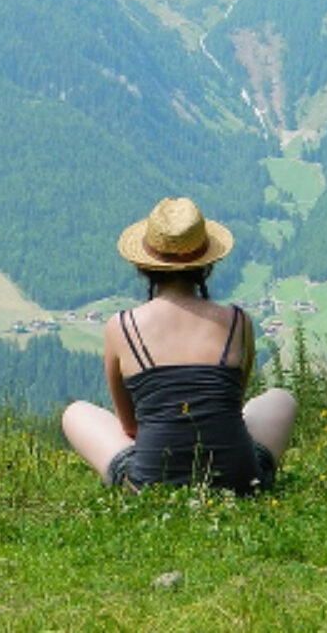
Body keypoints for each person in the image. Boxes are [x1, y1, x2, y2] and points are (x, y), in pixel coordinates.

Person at [61, 197, 297, 494]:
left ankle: (148, 476)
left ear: (145, 265)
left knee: (76, 412)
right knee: (280, 399)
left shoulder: (121, 327)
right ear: (206, 264)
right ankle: (235, 468)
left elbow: (130, 427)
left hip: (148, 484)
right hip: (240, 481)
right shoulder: (238, 322)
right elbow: (231, 407)